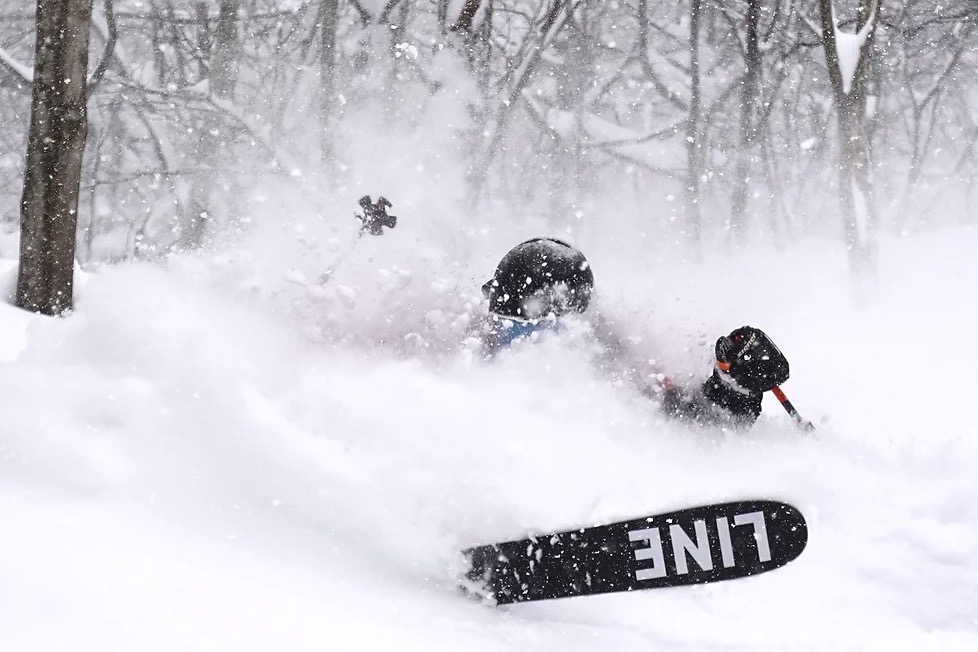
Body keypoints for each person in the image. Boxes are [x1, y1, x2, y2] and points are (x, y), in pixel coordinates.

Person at [480, 238, 790, 427]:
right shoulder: (466, 355)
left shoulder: (610, 361)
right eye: (502, 321)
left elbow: (691, 420)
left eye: (523, 326)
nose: (507, 336)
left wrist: (735, 390)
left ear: (569, 320)